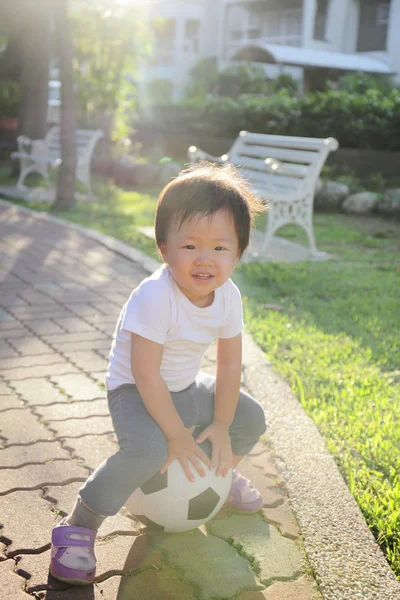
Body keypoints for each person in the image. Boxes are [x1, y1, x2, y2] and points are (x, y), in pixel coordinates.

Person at [50, 163, 268, 585]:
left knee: (250, 417)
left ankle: (220, 471)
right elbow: (146, 375)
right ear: (165, 248)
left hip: (185, 385)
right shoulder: (154, 296)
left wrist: (221, 426)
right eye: (190, 245)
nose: (205, 259)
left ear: (238, 252)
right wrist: (175, 434)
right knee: (148, 451)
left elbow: (227, 365)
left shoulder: (229, 296)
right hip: (134, 389)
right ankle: (79, 525)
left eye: (221, 248)